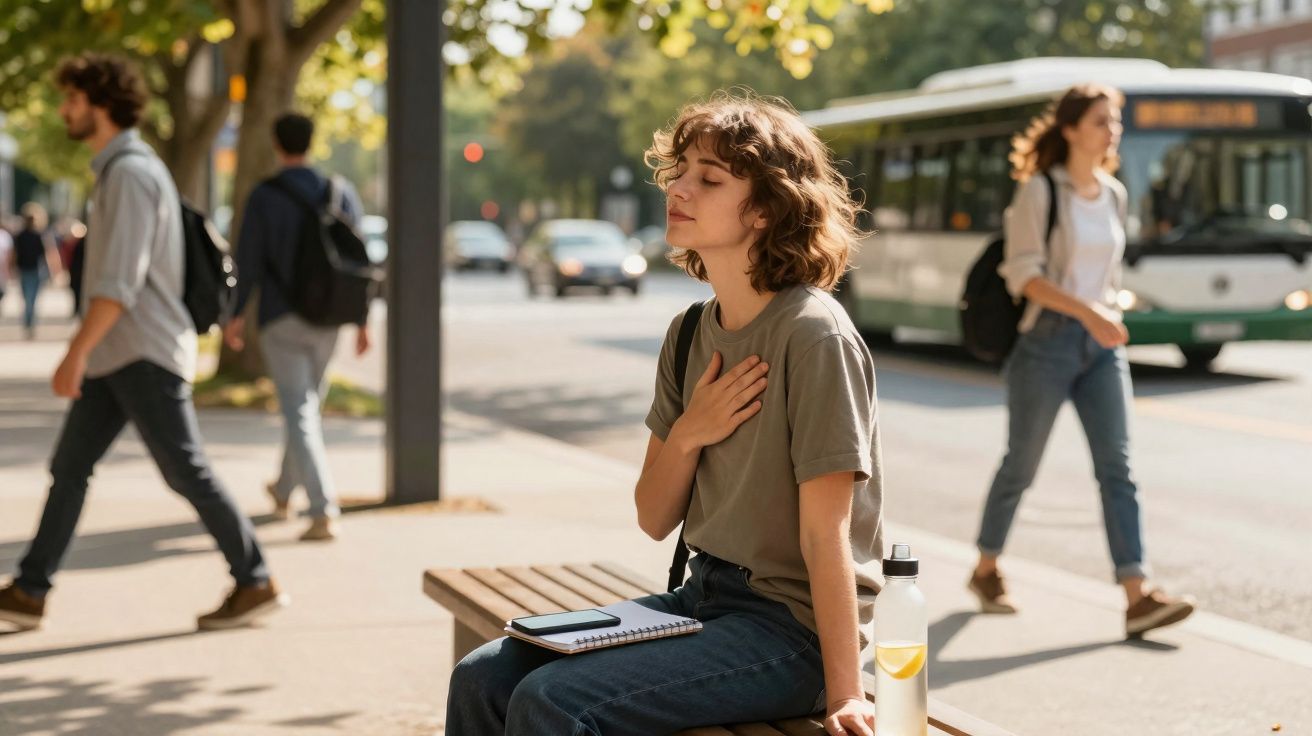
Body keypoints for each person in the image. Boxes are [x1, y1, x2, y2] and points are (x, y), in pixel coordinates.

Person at [446, 91, 884, 736]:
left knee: (554, 702)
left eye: (709, 179)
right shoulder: (689, 334)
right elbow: (654, 517)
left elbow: (828, 536)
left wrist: (847, 694)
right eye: (679, 172)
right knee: (481, 677)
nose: (679, 189)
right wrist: (690, 433)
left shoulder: (813, 337)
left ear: (765, 209)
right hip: (702, 599)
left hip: (794, 631)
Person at [0, 53, 284, 633]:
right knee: (71, 467)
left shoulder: (130, 173)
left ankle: (254, 579)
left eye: (73, 100)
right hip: (120, 353)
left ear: (101, 103)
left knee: (186, 470)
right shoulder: (120, 170)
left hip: (141, 351)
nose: (64, 111)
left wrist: (75, 351)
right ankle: (30, 589)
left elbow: (118, 285)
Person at [967, 84, 1195, 638]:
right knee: (1021, 467)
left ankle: (1137, 596)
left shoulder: (1114, 193)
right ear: (1069, 129)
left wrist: (1107, 312)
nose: (1111, 130)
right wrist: (1089, 311)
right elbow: (1023, 274)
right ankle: (986, 568)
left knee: (1118, 468)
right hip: (1046, 342)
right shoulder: (1041, 191)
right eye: (1099, 120)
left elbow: (1107, 274)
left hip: (1100, 348)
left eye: (1114, 121)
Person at [222, 112, 370, 542]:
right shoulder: (340, 192)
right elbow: (359, 262)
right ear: (311, 142)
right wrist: (362, 321)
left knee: (299, 411)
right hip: (329, 319)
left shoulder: (264, 196)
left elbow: (247, 261)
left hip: (281, 317)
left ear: (276, 143)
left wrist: (234, 316)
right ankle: (284, 488)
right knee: (303, 410)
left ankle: (322, 509)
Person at [12, 203, 63, 339]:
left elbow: (49, 253)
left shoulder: (39, 235)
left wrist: (55, 270)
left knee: (30, 299)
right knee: (29, 298)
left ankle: (30, 323)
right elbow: (15, 253)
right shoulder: (22, 235)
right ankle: (30, 322)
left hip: (35, 270)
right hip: (27, 270)